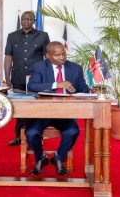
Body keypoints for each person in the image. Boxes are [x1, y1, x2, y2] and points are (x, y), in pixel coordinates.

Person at [26, 41, 90, 176]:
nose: (62, 57)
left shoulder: (75, 68)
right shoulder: (39, 67)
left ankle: (59, 157)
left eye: (63, 53)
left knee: (73, 131)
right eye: (57, 55)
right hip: (43, 112)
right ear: (48, 56)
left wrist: (91, 91)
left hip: (65, 112)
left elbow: (83, 89)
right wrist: (56, 84)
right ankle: (40, 157)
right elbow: (32, 87)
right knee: (31, 133)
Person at [4, 11, 50, 146]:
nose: (26, 21)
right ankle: (18, 136)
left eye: (29, 19)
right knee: (18, 108)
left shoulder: (43, 36)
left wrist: (46, 78)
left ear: (34, 20)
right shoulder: (12, 36)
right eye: (24, 19)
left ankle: (34, 136)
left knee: (34, 107)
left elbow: (47, 57)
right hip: (17, 76)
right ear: (21, 21)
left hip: (36, 78)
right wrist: (7, 78)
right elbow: (8, 57)